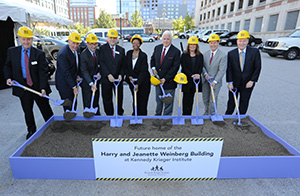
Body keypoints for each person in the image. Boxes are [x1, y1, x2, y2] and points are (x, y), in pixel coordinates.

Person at [4, 26, 53, 139]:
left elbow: (43, 72)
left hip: (37, 87)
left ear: (32, 39)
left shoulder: (39, 54)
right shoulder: (12, 52)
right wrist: (8, 78)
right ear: (19, 39)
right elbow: (7, 66)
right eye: (23, 39)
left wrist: (43, 88)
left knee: (45, 108)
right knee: (27, 110)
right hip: (22, 86)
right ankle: (31, 130)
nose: (26, 42)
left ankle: (52, 127)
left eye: (28, 39)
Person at [225, 30, 261, 115]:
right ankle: (228, 116)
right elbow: (229, 69)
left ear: (247, 41)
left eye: (244, 41)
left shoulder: (254, 52)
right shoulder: (231, 53)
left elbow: (257, 67)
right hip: (234, 82)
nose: (242, 43)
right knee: (231, 101)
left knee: (244, 101)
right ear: (237, 41)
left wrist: (252, 81)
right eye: (240, 41)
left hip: (248, 82)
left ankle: (240, 117)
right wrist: (230, 82)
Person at [150, 30, 180, 116]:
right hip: (158, 81)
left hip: (169, 81)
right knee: (158, 100)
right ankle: (158, 115)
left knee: (168, 102)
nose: (165, 41)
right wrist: (153, 68)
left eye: (168, 39)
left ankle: (166, 118)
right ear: (161, 39)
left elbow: (175, 68)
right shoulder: (157, 48)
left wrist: (166, 78)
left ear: (171, 40)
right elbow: (152, 59)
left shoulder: (176, 51)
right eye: (164, 39)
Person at [99, 29, 125, 115]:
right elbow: (101, 63)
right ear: (107, 38)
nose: (112, 39)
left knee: (119, 97)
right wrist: (108, 75)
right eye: (111, 37)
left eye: (114, 38)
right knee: (107, 98)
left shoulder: (121, 50)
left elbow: (123, 64)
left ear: (117, 38)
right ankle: (109, 114)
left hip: (118, 79)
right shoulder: (102, 49)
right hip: (107, 79)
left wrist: (121, 75)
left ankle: (119, 113)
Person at [55, 32, 81, 111]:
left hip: (71, 79)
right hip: (64, 84)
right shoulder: (63, 54)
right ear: (69, 41)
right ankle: (68, 120)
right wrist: (74, 86)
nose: (75, 45)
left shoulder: (76, 49)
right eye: (73, 43)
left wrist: (78, 75)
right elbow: (65, 72)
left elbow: (75, 65)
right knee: (68, 104)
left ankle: (73, 118)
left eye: (77, 43)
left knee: (74, 102)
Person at [125, 34, 151, 115]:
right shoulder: (128, 53)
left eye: (137, 43)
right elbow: (126, 67)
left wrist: (138, 84)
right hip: (132, 81)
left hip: (143, 82)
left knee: (142, 100)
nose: (135, 45)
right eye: (134, 43)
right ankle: (135, 114)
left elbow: (143, 71)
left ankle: (142, 116)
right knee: (135, 99)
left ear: (140, 44)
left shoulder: (143, 56)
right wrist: (129, 76)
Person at [202, 34, 227, 115]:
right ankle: (206, 113)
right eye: (211, 43)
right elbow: (202, 66)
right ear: (209, 43)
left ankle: (212, 114)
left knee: (213, 99)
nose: (213, 45)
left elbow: (222, 70)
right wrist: (205, 74)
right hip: (206, 81)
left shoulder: (223, 55)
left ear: (218, 43)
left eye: (215, 43)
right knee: (205, 98)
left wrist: (215, 81)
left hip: (216, 82)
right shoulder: (205, 54)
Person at [180, 36, 204, 115]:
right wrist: (192, 75)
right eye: (191, 44)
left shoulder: (200, 56)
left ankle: (189, 114)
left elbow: (201, 66)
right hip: (187, 80)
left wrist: (198, 74)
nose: (192, 46)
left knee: (191, 98)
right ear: (188, 46)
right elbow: (184, 67)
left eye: (194, 44)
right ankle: (184, 114)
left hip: (195, 80)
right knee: (185, 98)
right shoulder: (184, 55)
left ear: (196, 46)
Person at [80, 33, 101, 115]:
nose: (94, 46)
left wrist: (99, 73)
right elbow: (84, 71)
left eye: (95, 43)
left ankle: (97, 115)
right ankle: (88, 116)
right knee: (88, 100)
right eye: (91, 44)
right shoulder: (84, 55)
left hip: (96, 80)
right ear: (87, 44)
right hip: (87, 82)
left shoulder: (98, 52)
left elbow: (100, 65)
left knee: (96, 99)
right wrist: (91, 83)